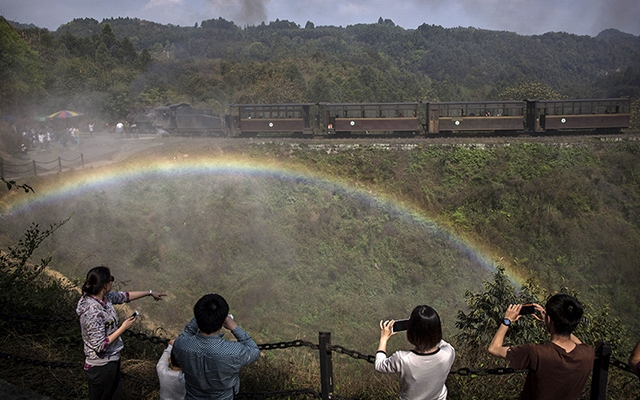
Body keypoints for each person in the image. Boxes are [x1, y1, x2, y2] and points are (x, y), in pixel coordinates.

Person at [76, 266, 166, 400]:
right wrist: (123, 328)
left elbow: (125, 296)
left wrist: (150, 292)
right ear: (105, 285)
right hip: (101, 366)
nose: (113, 281)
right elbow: (99, 345)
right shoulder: (93, 312)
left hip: (110, 362)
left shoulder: (104, 298)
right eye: (111, 279)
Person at [488, 294, 595, 400]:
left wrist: (507, 320)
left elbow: (494, 348)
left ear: (549, 319)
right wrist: (555, 321)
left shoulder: (536, 352)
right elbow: (579, 344)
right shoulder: (588, 353)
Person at [173, 293, 260, 400]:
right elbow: (254, 351)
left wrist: (202, 317)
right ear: (223, 320)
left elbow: (186, 333)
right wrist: (234, 327)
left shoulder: (181, 345)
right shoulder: (234, 351)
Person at [375, 305, 455, 400]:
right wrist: (426, 326)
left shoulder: (402, 359)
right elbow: (439, 341)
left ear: (411, 332)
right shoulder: (448, 353)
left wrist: (384, 338)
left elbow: (379, 365)